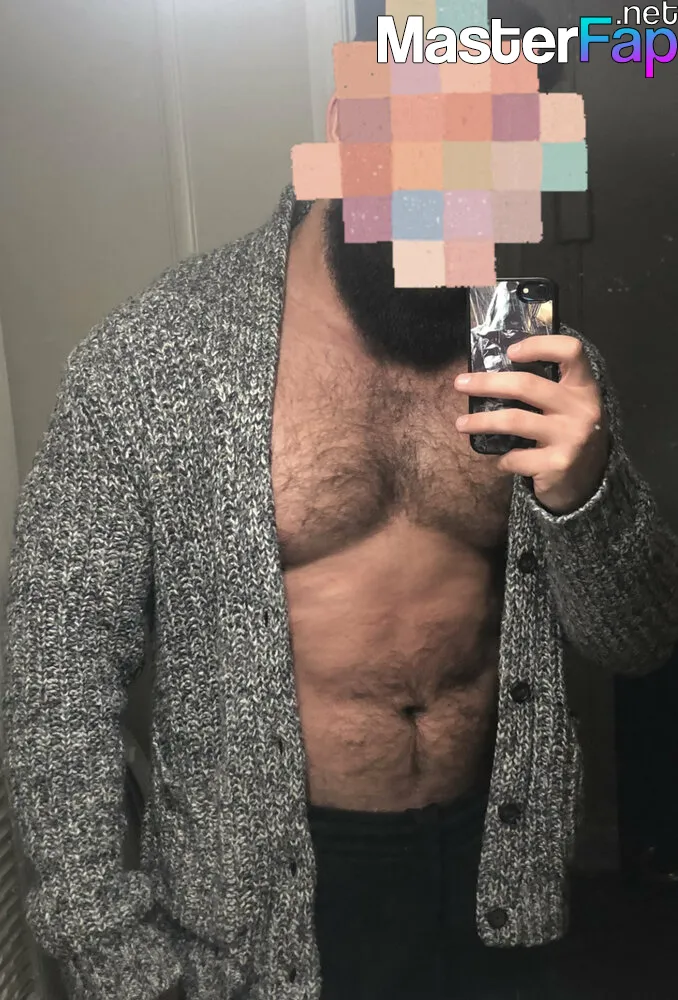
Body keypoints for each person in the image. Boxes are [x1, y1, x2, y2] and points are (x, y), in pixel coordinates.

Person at [3, 8, 678, 1000]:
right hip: (260, 903)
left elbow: (641, 638)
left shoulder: (540, 362)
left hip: (500, 877)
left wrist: (587, 490)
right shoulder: (156, 356)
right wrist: (115, 953)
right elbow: (56, 668)